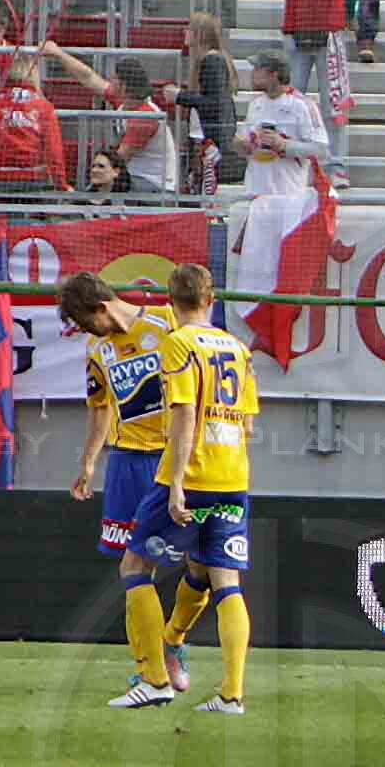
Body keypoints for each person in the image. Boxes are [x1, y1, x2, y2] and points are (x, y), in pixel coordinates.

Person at [62, 272, 192, 707]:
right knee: (137, 568)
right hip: (125, 463)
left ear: (100, 307)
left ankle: (169, 648)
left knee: (199, 565)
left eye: (85, 322)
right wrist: (88, 461)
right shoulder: (97, 350)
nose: (85, 332)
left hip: (169, 458)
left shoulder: (162, 325)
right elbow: (99, 410)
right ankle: (152, 668)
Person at [150, 259, 262, 717]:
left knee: (135, 563)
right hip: (233, 475)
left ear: (170, 302)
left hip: (191, 474)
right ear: (211, 301)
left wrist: (176, 483)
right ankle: (230, 690)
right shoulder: (239, 348)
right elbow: (250, 422)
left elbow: (183, 413)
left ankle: (154, 664)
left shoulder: (176, 344)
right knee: (222, 580)